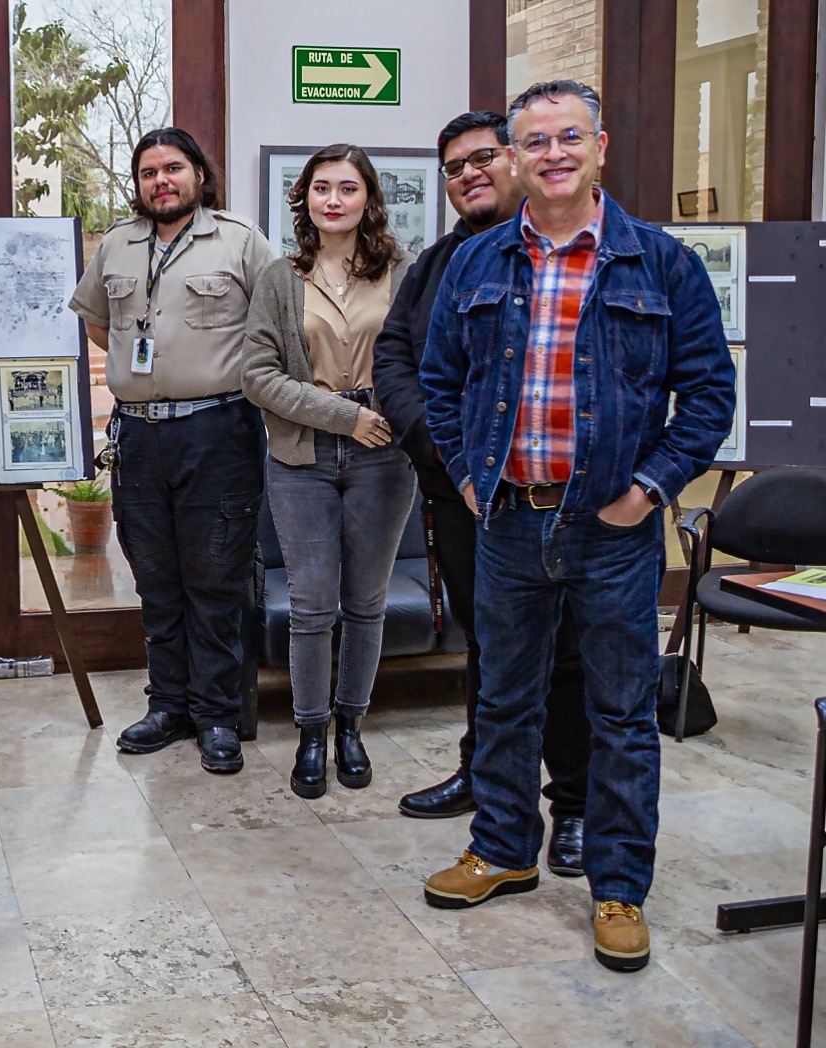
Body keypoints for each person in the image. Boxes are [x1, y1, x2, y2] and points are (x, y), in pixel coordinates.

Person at [420, 81, 736, 972]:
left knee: (621, 712)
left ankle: (619, 886)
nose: (553, 153)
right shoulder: (478, 267)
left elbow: (710, 392)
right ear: (514, 158)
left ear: (600, 147)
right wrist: (473, 476)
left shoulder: (661, 263)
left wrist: (649, 488)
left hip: (613, 526)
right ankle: (504, 848)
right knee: (504, 699)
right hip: (510, 519)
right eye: (534, 141)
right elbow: (441, 385)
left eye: (570, 137)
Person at [373, 111, 593, 877]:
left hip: (557, 498)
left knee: (563, 652)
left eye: (481, 158)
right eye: (453, 167)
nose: (468, 174)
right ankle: (489, 780)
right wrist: (444, 452)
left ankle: (575, 805)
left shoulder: (565, 257)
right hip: (464, 498)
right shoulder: (436, 266)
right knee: (488, 647)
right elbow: (395, 361)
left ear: (519, 160)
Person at [68, 127, 276, 775]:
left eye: (174, 168)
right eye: (149, 172)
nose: (162, 181)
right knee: (155, 578)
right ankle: (169, 707)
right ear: (139, 185)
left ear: (198, 176)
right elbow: (99, 321)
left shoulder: (240, 241)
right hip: (139, 434)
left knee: (214, 578)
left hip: (218, 430)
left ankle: (216, 715)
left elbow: (278, 323)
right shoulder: (116, 247)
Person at [242, 144, 416, 799]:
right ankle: (311, 734)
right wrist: (344, 418)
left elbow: (424, 361)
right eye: (322, 188)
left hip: (386, 456)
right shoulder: (280, 279)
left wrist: (393, 419)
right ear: (305, 199)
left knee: (365, 604)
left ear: (369, 198)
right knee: (312, 603)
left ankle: (351, 725)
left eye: (348, 187)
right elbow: (257, 375)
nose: (334, 199)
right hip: (301, 457)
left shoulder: (405, 272)